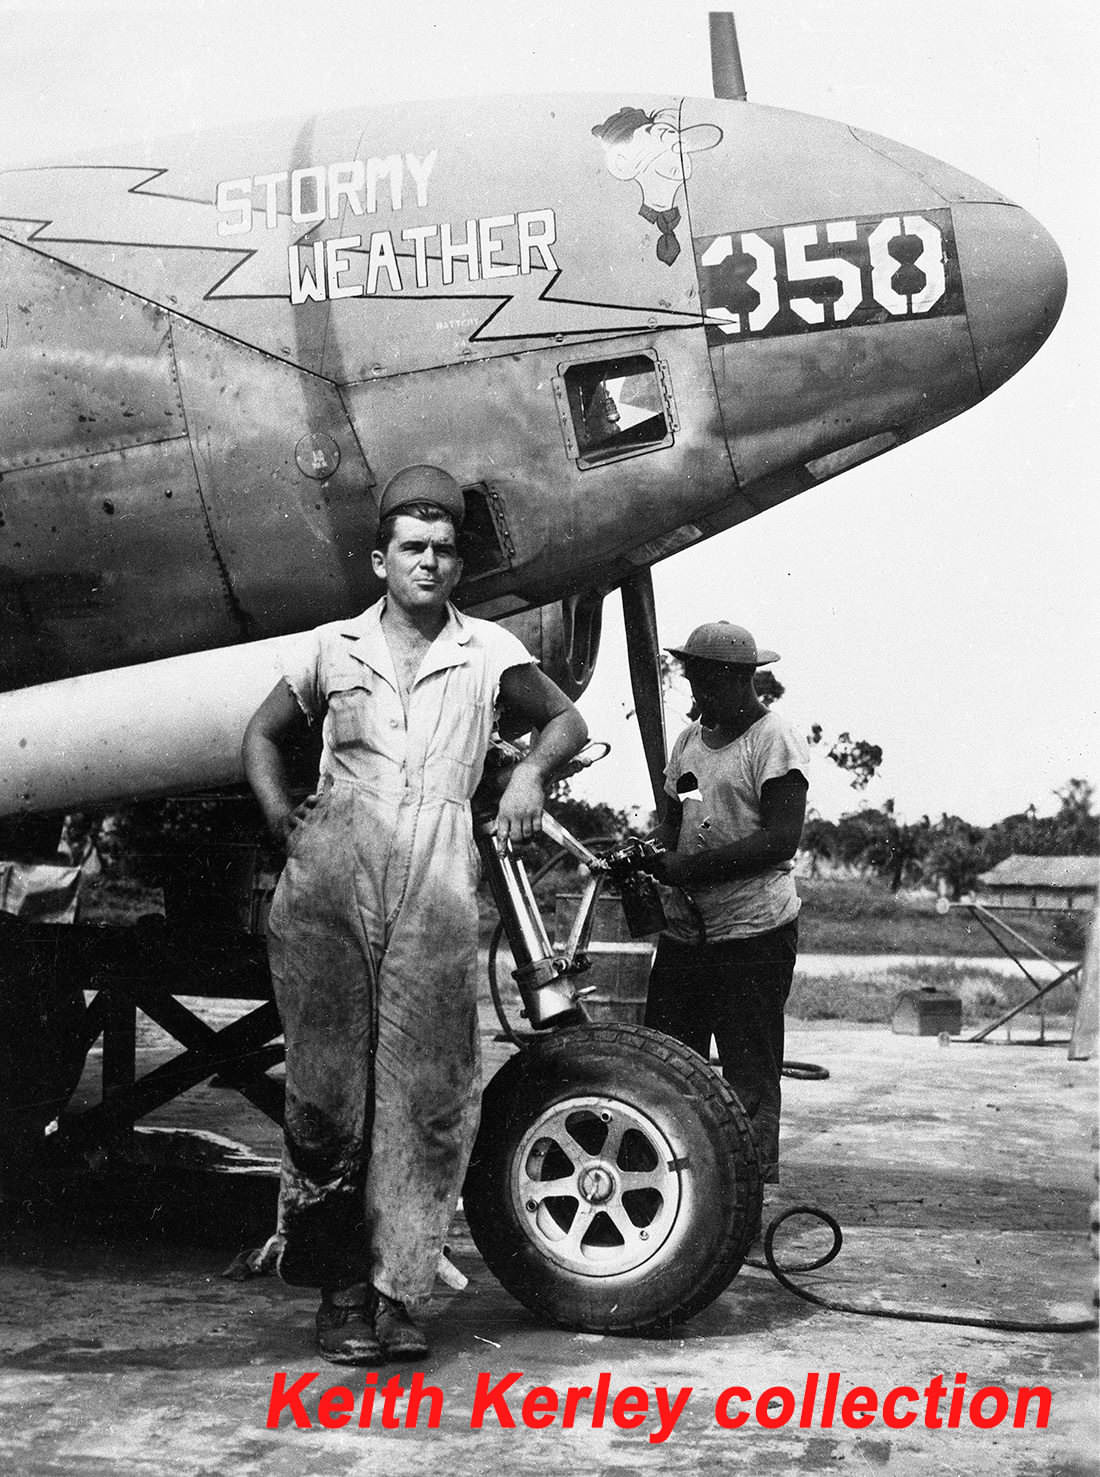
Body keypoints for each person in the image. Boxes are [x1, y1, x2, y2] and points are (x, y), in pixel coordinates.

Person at [242, 464, 587, 1365]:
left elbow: (566, 721)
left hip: (437, 870)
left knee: (429, 1095)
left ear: (458, 564)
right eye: (412, 548)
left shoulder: (487, 652)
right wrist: (285, 821)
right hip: (329, 875)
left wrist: (525, 772)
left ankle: (399, 1290)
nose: (429, 563)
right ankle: (338, 1291)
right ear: (380, 559)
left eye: (443, 551)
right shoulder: (332, 646)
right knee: (324, 1094)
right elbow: (262, 735)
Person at [644, 621, 809, 1187]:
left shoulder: (773, 739)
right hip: (689, 933)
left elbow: (781, 838)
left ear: (741, 680)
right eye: (692, 684)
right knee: (664, 1067)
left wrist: (689, 868)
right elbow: (672, 821)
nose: (697, 698)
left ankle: (745, 1203)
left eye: (707, 686)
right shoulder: (691, 740)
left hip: (753, 934)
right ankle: (673, 1197)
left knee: (749, 1075)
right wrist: (646, 855)